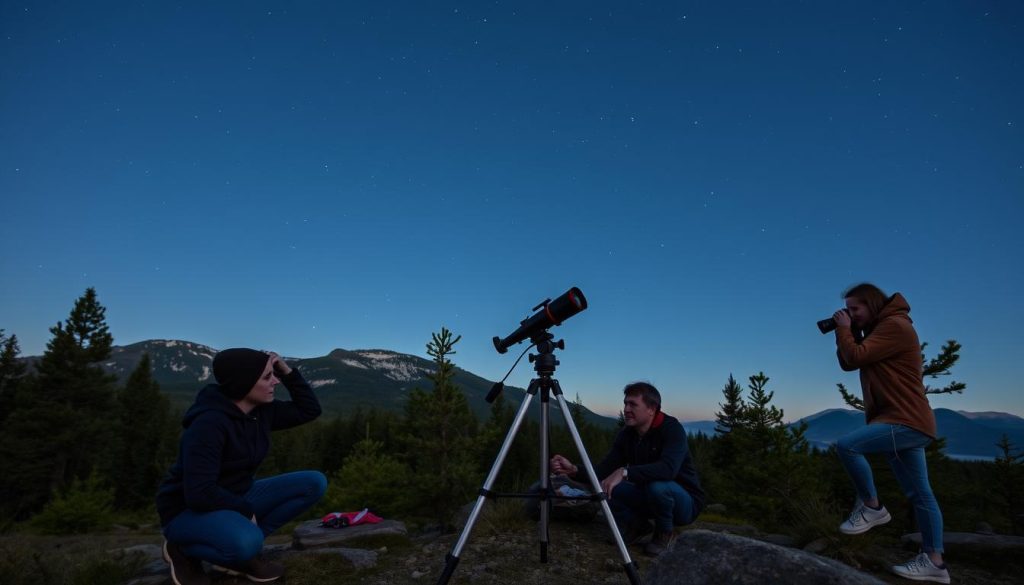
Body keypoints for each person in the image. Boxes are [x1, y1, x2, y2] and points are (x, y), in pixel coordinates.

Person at [156, 348, 327, 585]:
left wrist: (287, 372)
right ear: (243, 384)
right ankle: (182, 549)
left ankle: (243, 550)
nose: (275, 381)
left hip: (234, 495)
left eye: (273, 375)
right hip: (186, 510)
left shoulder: (262, 412)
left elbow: (309, 410)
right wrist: (245, 510)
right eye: (267, 377)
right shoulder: (208, 424)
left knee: (313, 483)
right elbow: (198, 493)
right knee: (247, 541)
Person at [831, 283, 949, 584]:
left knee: (847, 447)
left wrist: (847, 330)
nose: (850, 314)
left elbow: (856, 357)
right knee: (920, 495)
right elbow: (849, 361)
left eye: (855, 309)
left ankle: (872, 507)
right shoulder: (879, 329)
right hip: (906, 421)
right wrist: (846, 331)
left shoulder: (895, 326)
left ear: (872, 304)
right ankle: (934, 562)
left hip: (904, 420)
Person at [550, 382, 705, 557]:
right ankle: (636, 525)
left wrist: (625, 472)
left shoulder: (672, 429)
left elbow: (668, 469)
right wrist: (574, 470)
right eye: (625, 403)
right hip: (649, 496)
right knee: (605, 485)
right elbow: (604, 469)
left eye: (633, 404)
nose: (626, 409)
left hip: (684, 503)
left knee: (658, 486)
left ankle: (664, 533)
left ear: (651, 409)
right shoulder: (628, 434)